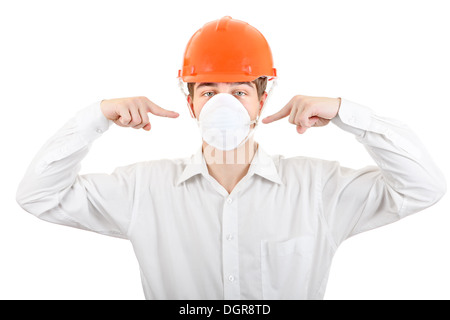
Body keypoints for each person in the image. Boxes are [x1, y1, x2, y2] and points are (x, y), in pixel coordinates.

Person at [16, 16, 446, 300]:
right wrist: (97, 117)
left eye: (239, 92)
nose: (225, 105)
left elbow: (423, 187)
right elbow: (38, 197)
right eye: (208, 91)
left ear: (261, 102)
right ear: (190, 104)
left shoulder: (318, 189)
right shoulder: (143, 190)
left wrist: (345, 112)